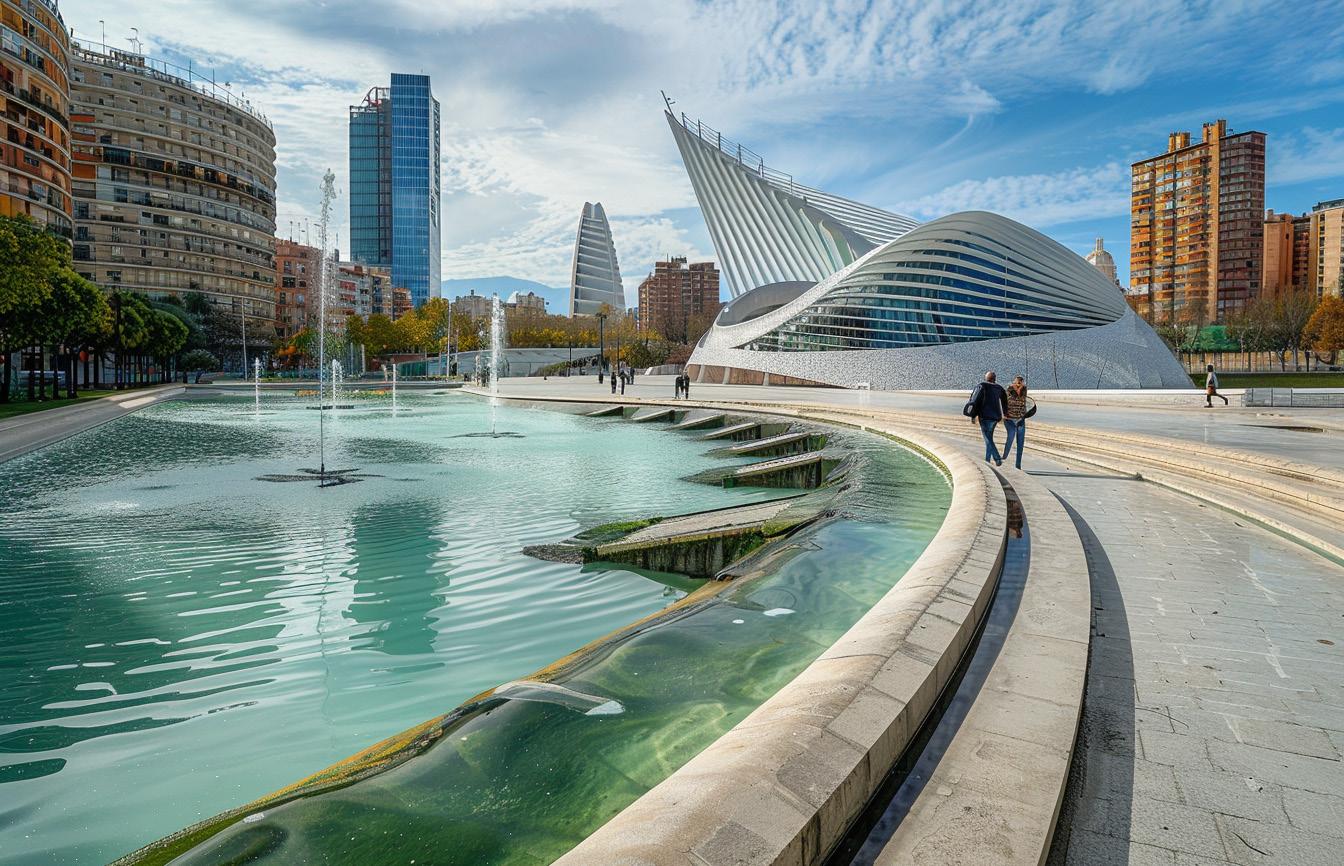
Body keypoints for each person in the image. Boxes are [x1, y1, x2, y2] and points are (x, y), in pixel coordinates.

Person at [967, 371, 1008, 466]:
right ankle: (987, 460)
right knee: (989, 437)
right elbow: (1004, 401)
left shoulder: (981, 386)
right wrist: (1005, 413)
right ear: (995, 379)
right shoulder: (999, 388)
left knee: (987, 438)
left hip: (984, 416)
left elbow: (975, 401)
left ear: (986, 378)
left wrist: (973, 415)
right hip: (995, 417)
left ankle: (997, 458)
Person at [1002, 375, 1028, 470]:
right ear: (1014, 382)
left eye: (1021, 382)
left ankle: (1018, 465)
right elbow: (1004, 401)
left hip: (1020, 419)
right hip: (1009, 418)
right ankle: (1004, 457)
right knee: (1010, 437)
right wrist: (1004, 414)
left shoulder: (1024, 389)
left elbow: (1023, 400)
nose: (1019, 384)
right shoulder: (1009, 389)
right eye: (1018, 382)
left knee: (1020, 442)